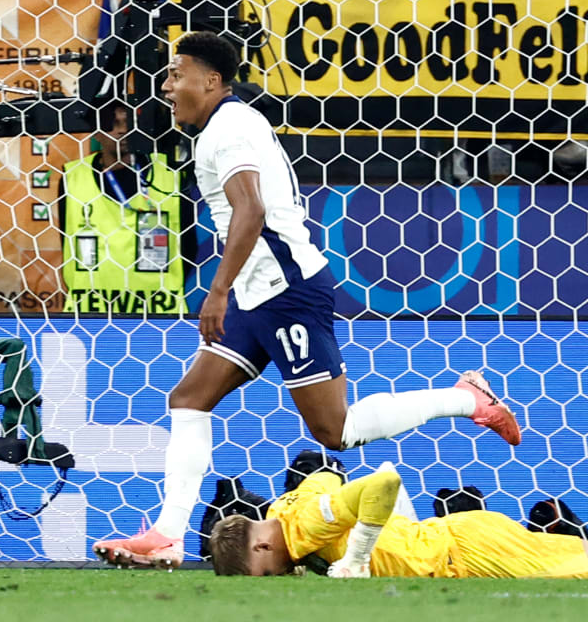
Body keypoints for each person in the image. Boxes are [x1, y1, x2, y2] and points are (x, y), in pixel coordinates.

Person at [92, 31, 521, 570]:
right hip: (257, 294)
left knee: (335, 431)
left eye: (177, 74)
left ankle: (467, 398)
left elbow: (250, 213)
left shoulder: (228, 130)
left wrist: (216, 291)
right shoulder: (221, 128)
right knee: (189, 399)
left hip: (286, 292)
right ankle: (167, 535)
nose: (168, 85)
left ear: (212, 80)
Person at [208, 468, 588, 579]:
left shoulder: (300, 526)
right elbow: (329, 481)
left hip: (467, 555)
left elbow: (383, 482)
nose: (274, 576)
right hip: (465, 542)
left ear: (262, 541)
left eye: (264, 569)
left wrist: (358, 555)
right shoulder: (289, 513)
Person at [60, 101, 187, 314]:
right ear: (96, 132)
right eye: (113, 123)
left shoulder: (169, 173)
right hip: (91, 312)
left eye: (128, 123)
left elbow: (188, 245)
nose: (122, 130)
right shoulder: (72, 177)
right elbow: (65, 239)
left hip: (159, 313)